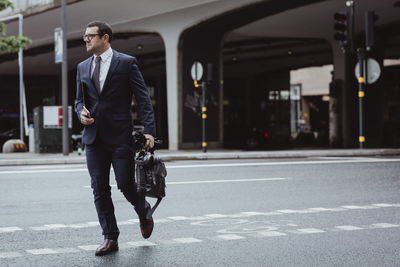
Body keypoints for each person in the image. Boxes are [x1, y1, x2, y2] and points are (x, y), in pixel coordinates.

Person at [75, 21, 156, 256]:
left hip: (121, 136)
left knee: (125, 183)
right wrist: (80, 112)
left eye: (90, 36)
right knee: (99, 188)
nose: (86, 40)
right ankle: (110, 237)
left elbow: (143, 99)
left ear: (106, 38)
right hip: (93, 137)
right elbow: (79, 100)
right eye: (85, 36)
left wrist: (149, 130)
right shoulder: (81, 67)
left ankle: (144, 209)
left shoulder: (126, 63)